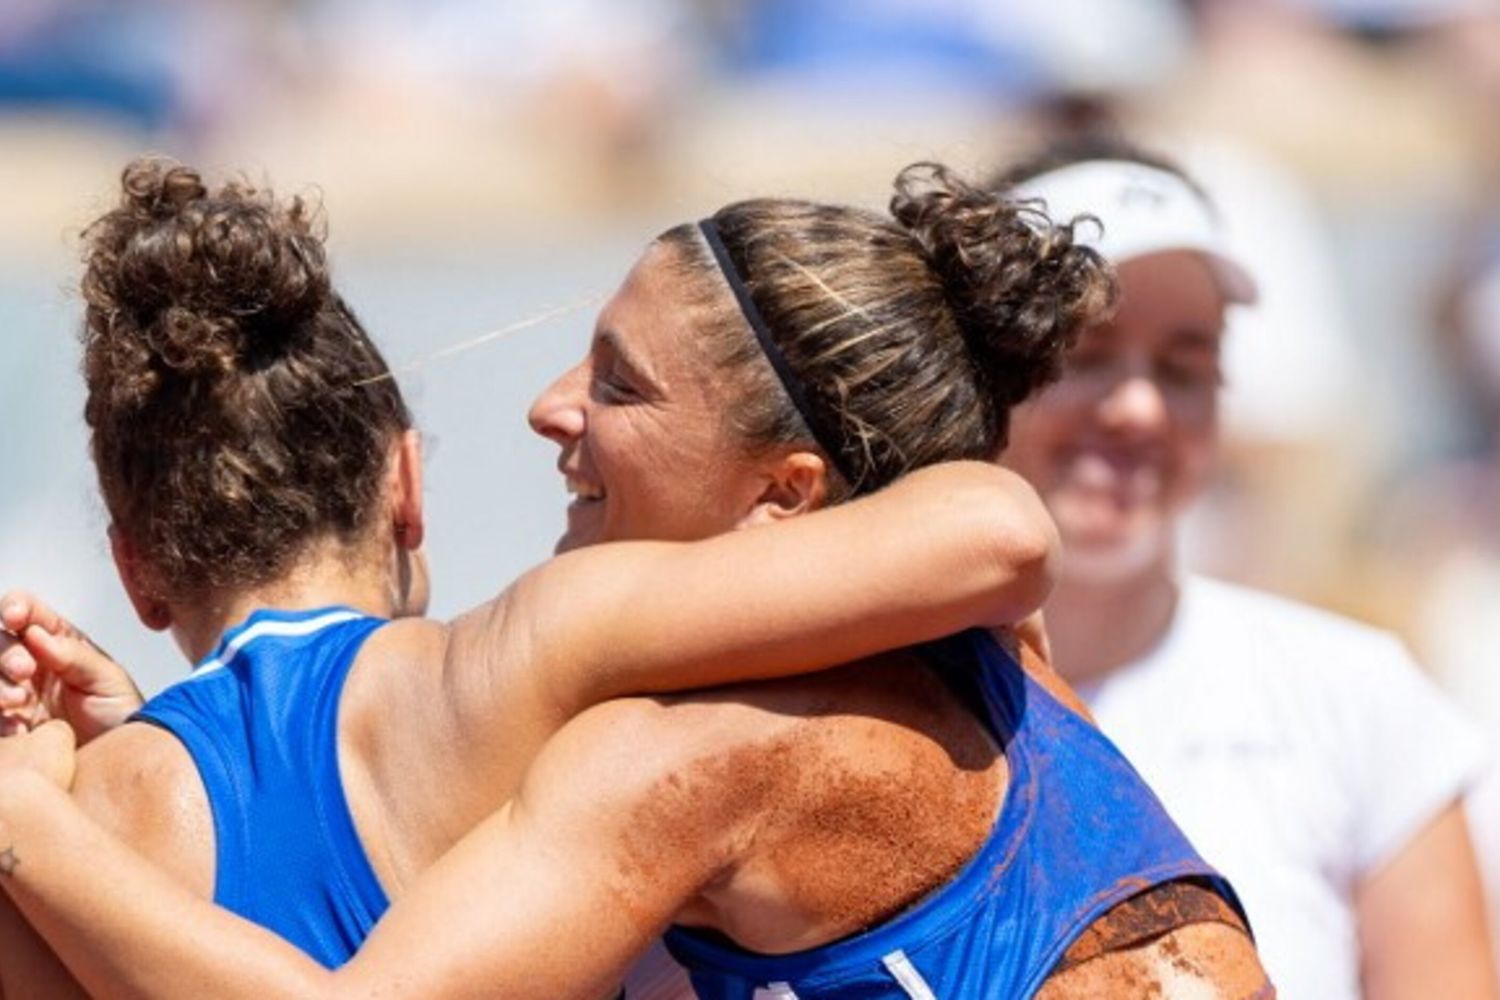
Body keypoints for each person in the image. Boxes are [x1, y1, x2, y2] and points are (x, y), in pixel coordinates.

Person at [0, 157, 1268, 999]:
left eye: (619, 383)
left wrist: (35, 824)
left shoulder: (673, 764)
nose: (550, 411)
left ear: (789, 494)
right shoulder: (1003, 654)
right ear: (404, 485)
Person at [994, 134, 1498, 1000]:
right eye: (1085, 356)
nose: (1140, 408)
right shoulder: (858, 709)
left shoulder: (1358, 702)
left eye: (1185, 365)